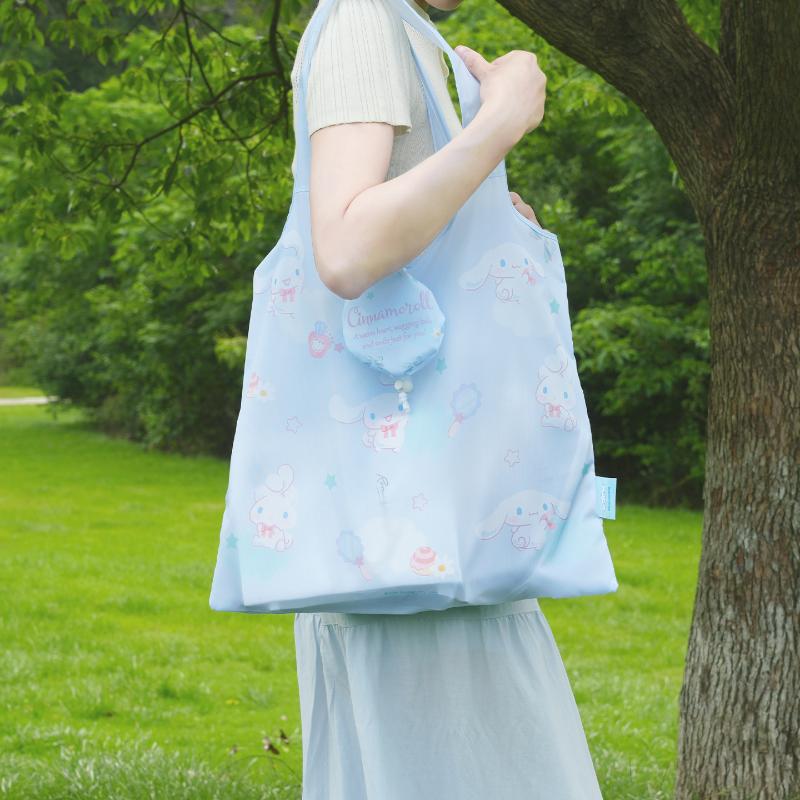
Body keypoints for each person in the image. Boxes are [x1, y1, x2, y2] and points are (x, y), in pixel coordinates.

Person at [289, 1, 604, 797]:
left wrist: (489, 211)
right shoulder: (364, 21)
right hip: (416, 551)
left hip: (439, 547)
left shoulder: (404, 30)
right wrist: (501, 120)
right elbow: (348, 249)